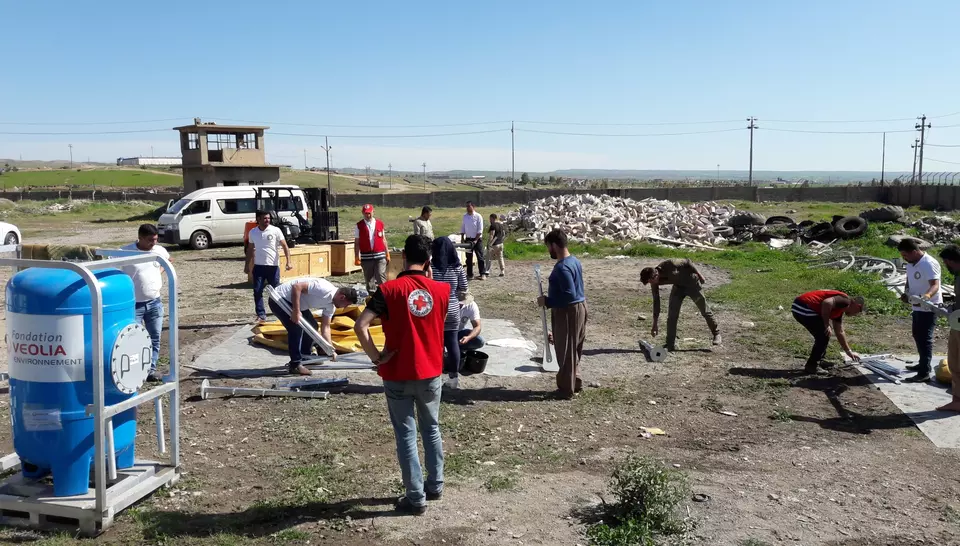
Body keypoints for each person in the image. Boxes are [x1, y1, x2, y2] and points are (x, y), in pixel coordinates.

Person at [354, 234, 450, 516]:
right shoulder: (443, 291)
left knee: (406, 435)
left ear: (402, 259)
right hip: (431, 372)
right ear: (428, 261)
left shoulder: (388, 290)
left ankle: (415, 496)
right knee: (431, 428)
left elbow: (361, 326)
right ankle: (436, 485)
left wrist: (377, 358)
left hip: (397, 373)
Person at [268, 278, 359, 375]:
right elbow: (297, 287)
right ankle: (295, 365)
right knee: (296, 328)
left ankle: (305, 355)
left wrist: (331, 349)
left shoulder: (331, 306)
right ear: (342, 297)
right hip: (280, 299)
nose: (344, 308)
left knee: (313, 326)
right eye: (346, 304)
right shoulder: (323, 288)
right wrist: (296, 311)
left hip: (297, 304)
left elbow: (326, 328)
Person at [537, 229, 587, 399]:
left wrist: (548, 302)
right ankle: (575, 380)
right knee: (572, 348)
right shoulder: (574, 261)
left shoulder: (563, 267)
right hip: (578, 307)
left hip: (568, 311)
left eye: (548, 247)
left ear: (554, 245)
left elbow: (569, 295)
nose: (548, 250)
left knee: (565, 349)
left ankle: (566, 389)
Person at [120, 224, 171, 383]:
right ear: (140, 238)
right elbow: (111, 270)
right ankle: (132, 371)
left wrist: (159, 271)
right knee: (132, 339)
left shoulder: (159, 251)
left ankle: (151, 370)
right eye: (150, 240)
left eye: (155, 240)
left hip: (154, 302)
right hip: (134, 306)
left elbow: (168, 260)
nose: (153, 243)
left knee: (154, 337)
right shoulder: (123, 253)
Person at [640, 259, 721, 351]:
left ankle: (716, 334)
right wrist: (655, 324)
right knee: (672, 315)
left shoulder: (670, 264)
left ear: (655, 275)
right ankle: (670, 344)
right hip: (678, 288)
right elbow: (656, 301)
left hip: (692, 284)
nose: (652, 284)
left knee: (704, 310)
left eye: (651, 281)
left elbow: (688, 262)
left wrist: (700, 275)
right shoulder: (654, 281)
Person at [899, 238, 943, 382]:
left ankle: (924, 372)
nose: (904, 258)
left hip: (929, 306)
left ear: (914, 251)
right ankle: (922, 363)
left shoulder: (928, 263)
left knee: (925, 338)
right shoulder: (911, 263)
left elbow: (935, 284)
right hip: (916, 305)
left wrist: (926, 296)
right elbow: (909, 279)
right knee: (917, 335)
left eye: (905, 255)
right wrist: (906, 292)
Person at [791, 290, 864, 373]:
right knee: (823, 335)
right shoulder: (845, 301)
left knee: (824, 335)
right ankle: (812, 366)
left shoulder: (839, 311)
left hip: (801, 306)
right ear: (857, 305)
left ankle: (819, 360)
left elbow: (839, 331)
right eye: (859, 311)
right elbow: (827, 302)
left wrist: (849, 352)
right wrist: (826, 324)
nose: (856, 314)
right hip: (803, 307)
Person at [430, 237, 468, 389]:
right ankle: (453, 378)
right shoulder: (457, 268)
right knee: (452, 344)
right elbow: (464, 288)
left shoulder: (431, 266)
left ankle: (435, 376)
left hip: (435, 309)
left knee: (435, 344)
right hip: (452, 308)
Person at [244, 210, 293, 324]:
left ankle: (281, 312)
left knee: (276, 292)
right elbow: (250, 249)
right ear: (259, 219)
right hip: (259, 267)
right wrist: (247, 265)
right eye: (265, 218)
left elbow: (285, 246)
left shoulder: (275, 230)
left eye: (269, 218)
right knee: (257, 291)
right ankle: (261, 315)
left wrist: (288, 261)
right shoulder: (253, 232)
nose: (267, 220)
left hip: (273, 266)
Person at [936, 245, 960, 411]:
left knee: (956, 362)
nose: (946, 266)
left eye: (946, 263)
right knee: (954, 362)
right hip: (956, 322)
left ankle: (957, 401)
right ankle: (957, 401)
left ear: (951, 261)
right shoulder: (958, 275)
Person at [354, 204, 390, 293]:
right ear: (363, 213)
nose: (368, 215)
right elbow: (357, 243)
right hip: (366, 257)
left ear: (373, 212)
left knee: (380, 275)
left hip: (380, 255)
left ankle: (384, 295)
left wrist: (387, 253)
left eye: (369, 213)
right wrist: (356, 257)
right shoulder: (359, 225)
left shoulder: (380, 224)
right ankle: (371, 297)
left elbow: (384, 240)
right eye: (366, 213)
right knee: (369, 278)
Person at [460, 201, 486, 280]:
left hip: (477, 239)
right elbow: (463, 227)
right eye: (466, 206)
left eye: (469, 206)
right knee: (468, 258)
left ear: (473, 207)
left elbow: (480, 229)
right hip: (468, 239)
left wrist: (476, 240)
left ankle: (482, 274)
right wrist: (462, 237)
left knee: (480, 257)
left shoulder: (478, 216)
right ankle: (470, 274)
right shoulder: (465, 216)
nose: (467, 208)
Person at [485, 213, 506, 277]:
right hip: (501, 243)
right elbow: (504, 234)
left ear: (492, 218)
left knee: (488, 258)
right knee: (500, 258)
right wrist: (501, 240)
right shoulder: (500, 225)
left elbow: (492, 235)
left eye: (490, 218)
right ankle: (502, 271)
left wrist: (489, 244)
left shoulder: (493, 225)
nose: (489, 220)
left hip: (494, 244)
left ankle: (487, 271)